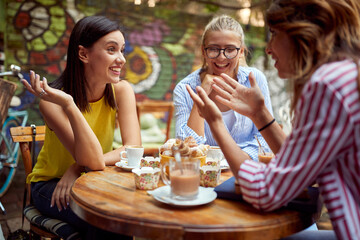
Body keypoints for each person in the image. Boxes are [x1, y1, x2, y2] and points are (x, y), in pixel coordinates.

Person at [187, 0, 360, 239]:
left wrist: (215, 123)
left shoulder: (327, 85)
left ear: (301, 35)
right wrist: (260, 115)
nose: (268, 48)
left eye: (274, 34)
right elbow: (303, 169)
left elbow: (265, 192)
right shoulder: (347, 73)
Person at [21, 16, 141, 239]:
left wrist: (77, 167)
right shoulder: (52, 101)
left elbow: (133, 147)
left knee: (122, 216)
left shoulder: (122, 90)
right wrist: (69, 103)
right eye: (112, 49)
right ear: (84, 54)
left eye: (122, 50)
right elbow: (93, 161)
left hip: (91, 179)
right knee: (105, 220)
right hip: (51, 185)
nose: (121, 59)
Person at [173, 15, 273, 161]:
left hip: (247, 169)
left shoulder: (255, 80)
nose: (221, 57)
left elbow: (265, 140)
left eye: (230, 49)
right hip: (204, 173)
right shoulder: (185, 89)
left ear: (241, 52)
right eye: (213, 49)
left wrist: (236, 161)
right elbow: (186, 148)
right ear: (203, 51)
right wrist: (201, 96)